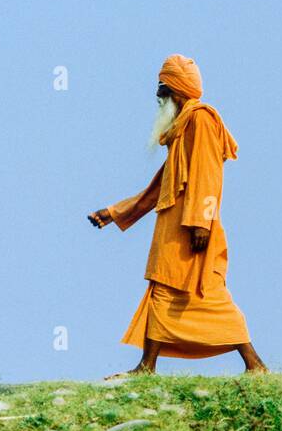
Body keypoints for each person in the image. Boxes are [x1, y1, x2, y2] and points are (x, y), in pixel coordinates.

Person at [88, 54, 267, 375]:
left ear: (178, 89)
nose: (157, 95)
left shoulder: (201, 120)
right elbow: (162, 185)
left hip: (194, 227)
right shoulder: (182, 127)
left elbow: (208, 175)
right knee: (162, 291)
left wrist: (201, 222)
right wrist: (115, 212)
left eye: (162, 87)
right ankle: (147, 365)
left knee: (210, 293)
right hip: (174, 228)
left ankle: (254, 363)